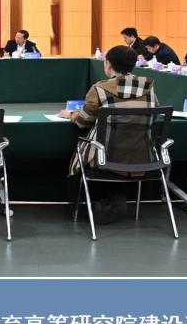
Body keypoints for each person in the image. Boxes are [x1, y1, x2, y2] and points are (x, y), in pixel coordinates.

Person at [58, 45, 157, 224]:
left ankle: (88, 206)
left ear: (108, 64)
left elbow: (83, 121)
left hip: (105, 157)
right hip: (142, 156)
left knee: (82, 152)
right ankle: (115, 199)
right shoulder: (149, 88)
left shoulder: (100, 89)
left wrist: (70, 114)